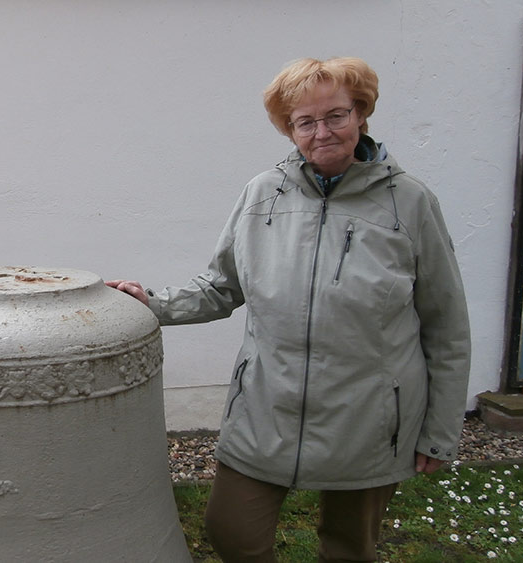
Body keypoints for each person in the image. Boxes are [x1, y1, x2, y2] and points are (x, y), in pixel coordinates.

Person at [107, 57, 470, 562]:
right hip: (266, 406)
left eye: (336, 115)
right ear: (290, 128)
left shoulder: (409, 202)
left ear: (361, 113)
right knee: (231, 530)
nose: (322, 132)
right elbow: (220, 286)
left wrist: (439, 431)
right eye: (305, 121)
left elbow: (446, 325)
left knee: (348, 548)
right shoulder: (262, 195)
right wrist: (153, 303)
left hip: (369, 415)